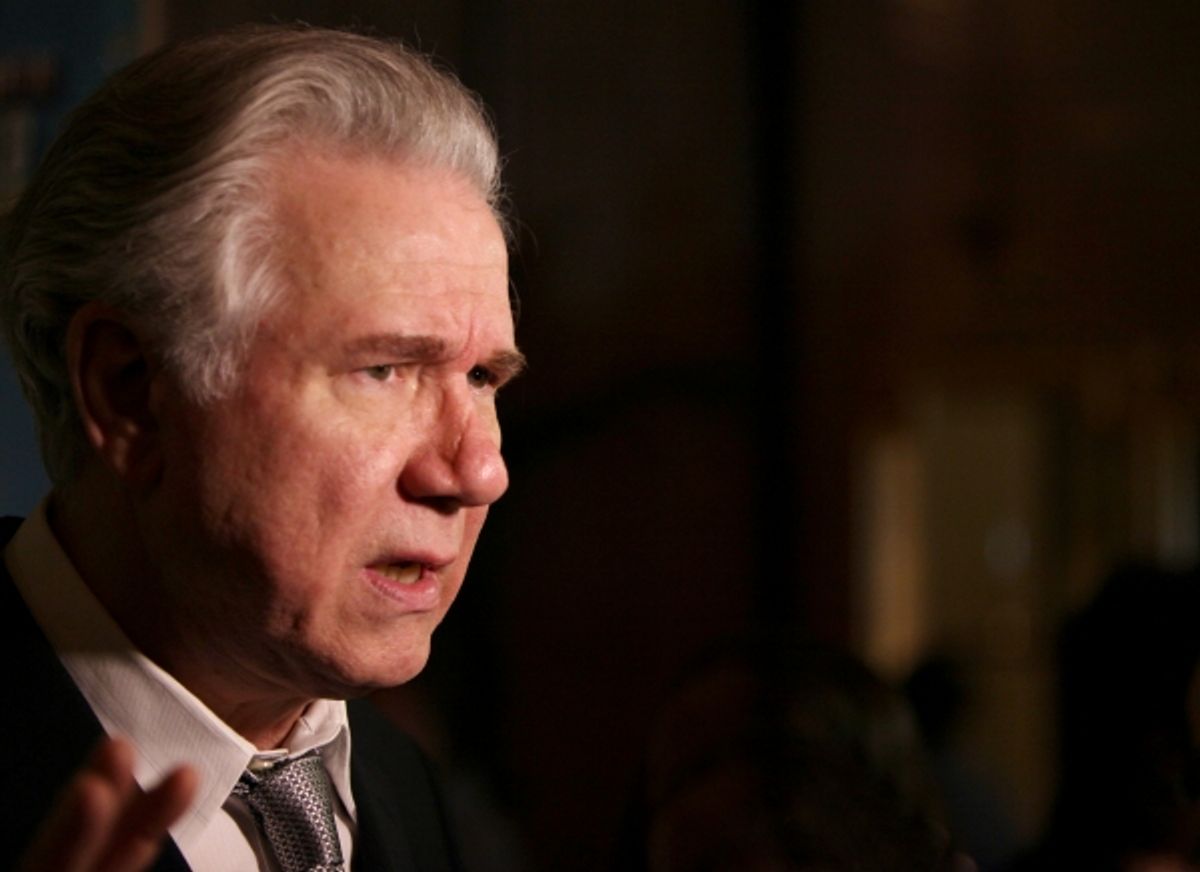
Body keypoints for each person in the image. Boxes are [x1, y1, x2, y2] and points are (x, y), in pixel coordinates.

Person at [0, 23, 524, 871]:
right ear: (129, 393)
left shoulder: (401, 792)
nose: (476, 472)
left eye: (483, 379)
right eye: (385, 369)